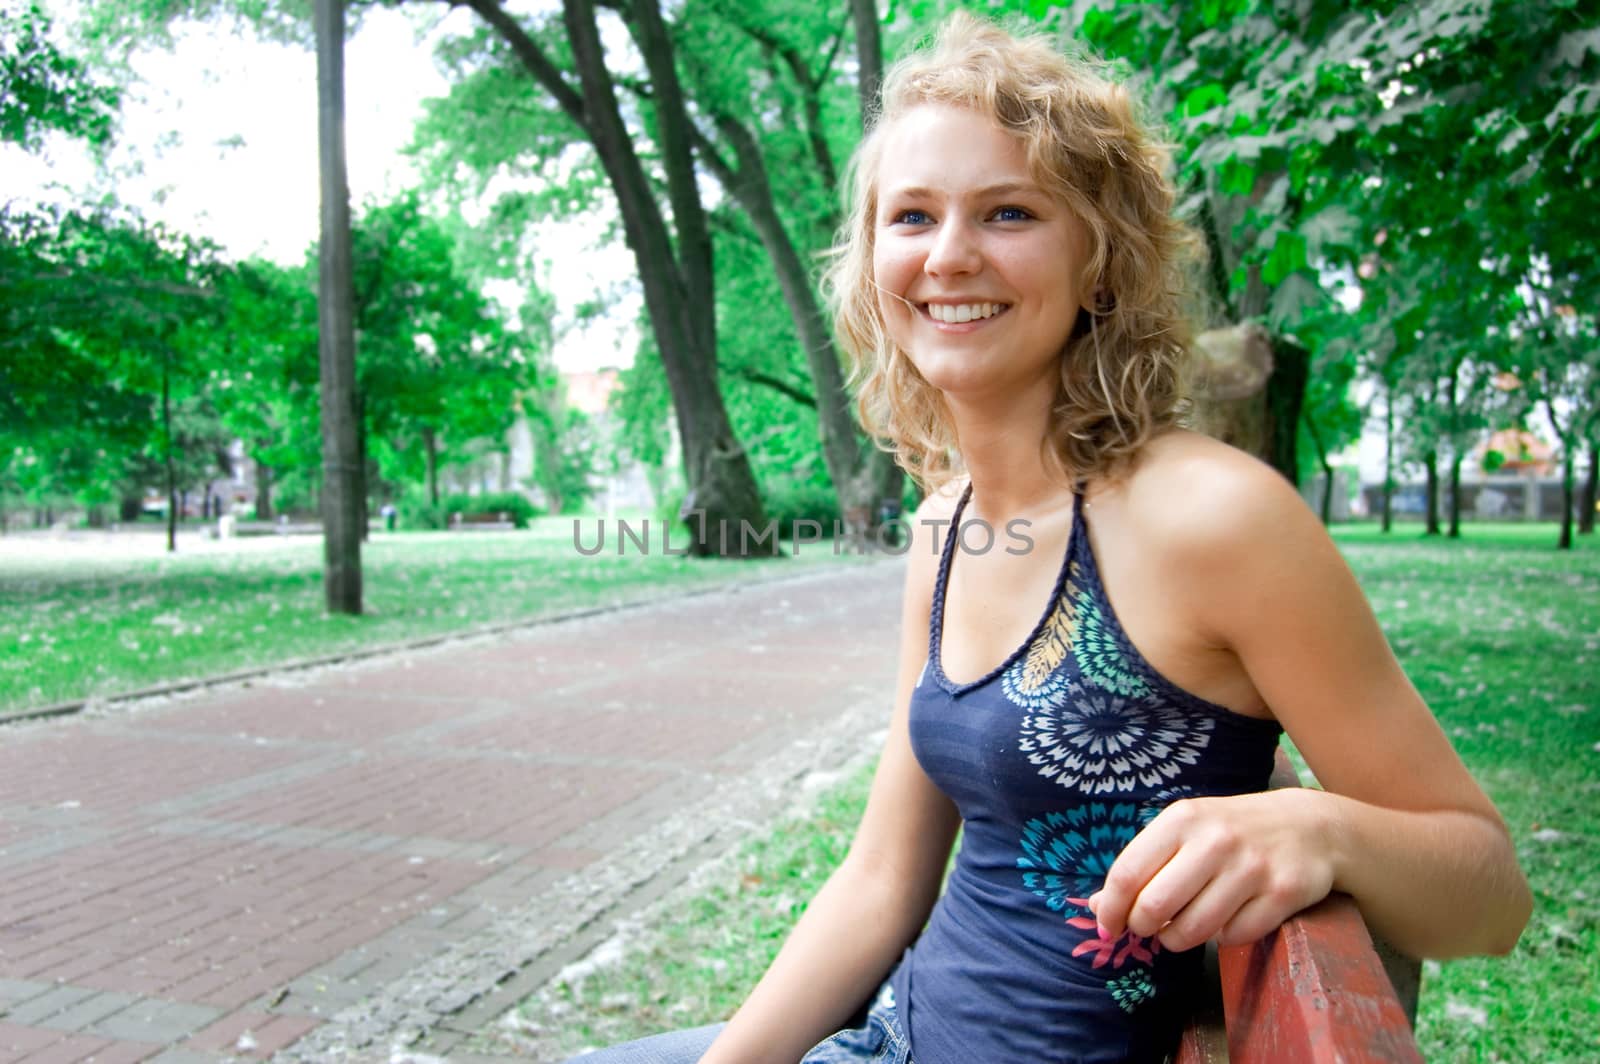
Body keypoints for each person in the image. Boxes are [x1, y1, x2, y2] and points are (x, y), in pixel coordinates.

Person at [570, 13, 1531, 1063]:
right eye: (912, 216)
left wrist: (1323, 829)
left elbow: (1487, 894)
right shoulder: (943, 528)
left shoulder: (1215, 518)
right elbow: (883, 878)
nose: (949, 255)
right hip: (890, 1036)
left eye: (1009, 211)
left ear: (1101, 264)